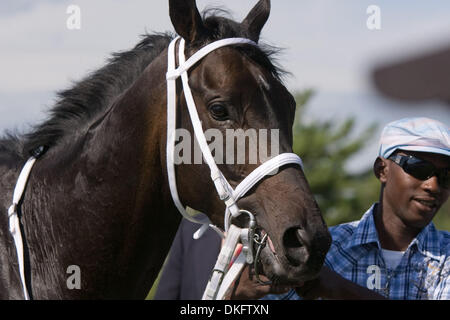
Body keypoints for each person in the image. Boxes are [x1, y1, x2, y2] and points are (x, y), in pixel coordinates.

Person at [260, 117, 449, 300]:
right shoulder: (323, 251)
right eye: (419, 168)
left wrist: (341, 290)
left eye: (446, 176)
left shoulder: (446, 257)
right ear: (382, 170)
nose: (433, 186)